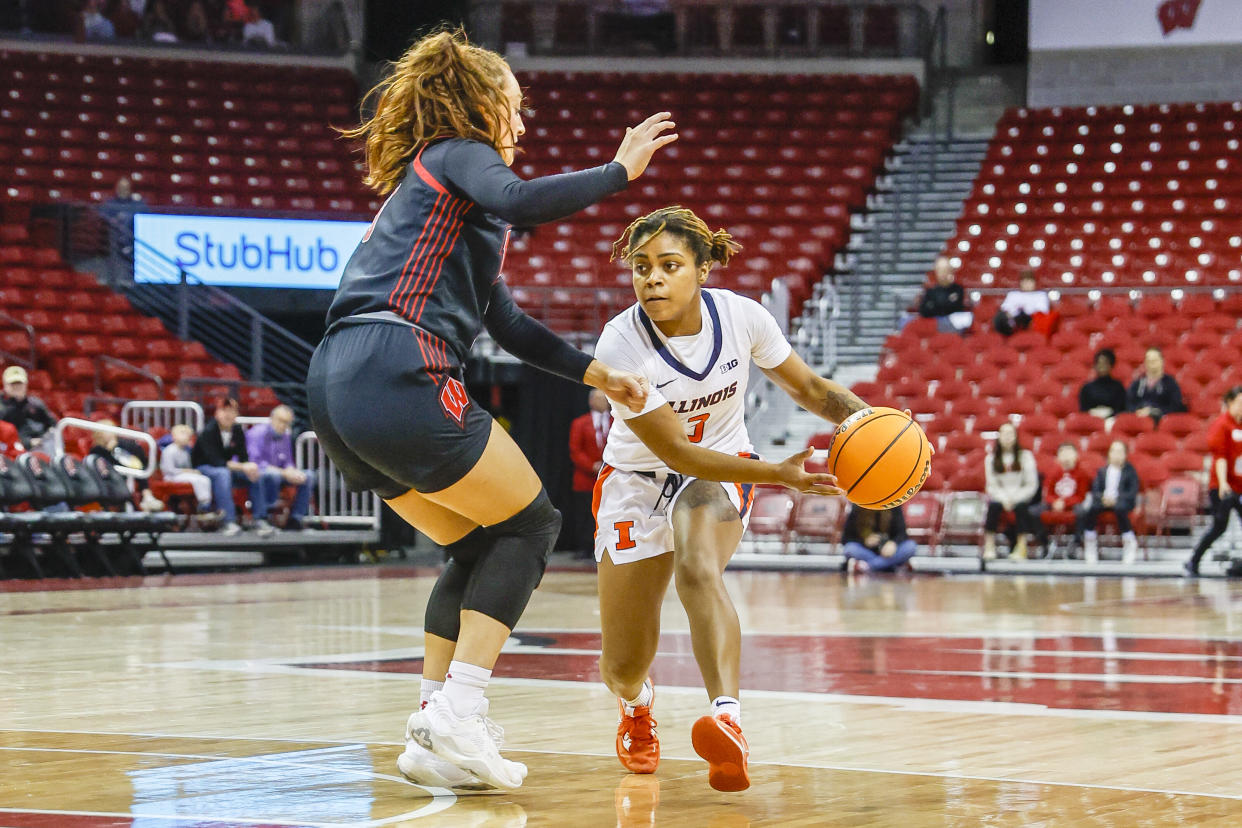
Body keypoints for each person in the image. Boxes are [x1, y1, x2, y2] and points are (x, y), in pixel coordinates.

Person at [306, 29, 677, 792]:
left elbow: (504, 323)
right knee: (535, 523)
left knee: (480, 542)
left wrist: (597, 372)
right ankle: (461, 708)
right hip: (396, 366)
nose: (522, 121)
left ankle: (431, 724)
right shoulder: (456, 152)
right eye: (514, 104)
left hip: (335, 384)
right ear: (481, 104)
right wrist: (619, 171)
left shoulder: (443, 203)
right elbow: (519, 194)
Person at [591, 206, 858, 793]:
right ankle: (637, 705)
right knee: (622, 666)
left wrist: (870, 418)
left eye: (668, 265)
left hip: (717, 470)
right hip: (637, 482)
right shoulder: (619, 343)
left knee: (696, 563)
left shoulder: (741, 317)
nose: (652, 278)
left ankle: (728, 719)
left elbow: (811, 389)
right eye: (641, 268)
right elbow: (678, 455)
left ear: (703, 269)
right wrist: (777, 474)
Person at [1184, 386, 1242, 576]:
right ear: (1230, 403)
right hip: (1223, 486)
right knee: (1219, 526)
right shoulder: (1222, 424)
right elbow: (1220, 457)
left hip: (1240, 485)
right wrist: (1224, 483)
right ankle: (1193, 560)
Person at [191, 397, 260, 536]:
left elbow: (243, 457)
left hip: (225, 469)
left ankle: (260, 518)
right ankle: (229, 521)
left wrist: (249, 468)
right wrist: (243, 467)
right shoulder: (208, 431)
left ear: (237, 414)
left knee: (255, 474)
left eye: (232, 411)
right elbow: (215, 461)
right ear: (216, 413)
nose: (228, 414)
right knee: (222, 473)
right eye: (224, 410)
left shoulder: (237, 430)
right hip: (203, 468)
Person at [246, 404, 315, 534]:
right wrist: (284, 472)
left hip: (279, 472)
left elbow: (288, 461)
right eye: (281, 421)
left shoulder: (285, 436)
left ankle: (295, 519)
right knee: (273, 475)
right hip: (257, 471)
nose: (283, 425)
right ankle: (265, 516)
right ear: (272, 418)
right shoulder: (257, 433)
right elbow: (255, 462)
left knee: (308, 476)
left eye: (287, 423)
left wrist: (292, 471)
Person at [1078, 440, 1141, 564]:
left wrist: (1116, 499)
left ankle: (1129, 542)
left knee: (1120, 508)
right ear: (1109, 454)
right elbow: (1095, 490)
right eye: (1113, 451)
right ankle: (1090, 543)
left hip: (1122, 502)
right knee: (1091, 508)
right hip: (1104, 501)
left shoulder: (1130, 471)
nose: (1116, 455)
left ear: (1125, 454)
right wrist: (1103, 498)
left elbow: (1132, 492)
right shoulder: (1102, 471)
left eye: (1119, 452)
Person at [983, 421, 1039, 560]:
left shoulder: (1025, 456)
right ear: (999, 437)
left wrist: (1014, 498)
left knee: (1021, 507)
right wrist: (1004, 499)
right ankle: (989, 546)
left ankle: (1021, 546)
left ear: (1015, 436)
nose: (1007, 437)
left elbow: (1031, 484)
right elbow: (992, 485)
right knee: (993, 506)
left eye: (1010, 433)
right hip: (1001, 497)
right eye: (1004, 434)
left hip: (1021, 497)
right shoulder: (990, 459)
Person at [567, 389, 610, 556]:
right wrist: (592, 466)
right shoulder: (580, 423)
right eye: (599, 399)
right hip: (586, 478)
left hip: (610, 477)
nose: (603, 402)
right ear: (591, 401)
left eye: (605, 399)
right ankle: (585, 548)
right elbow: (575, 450)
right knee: (585, 515)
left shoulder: (616, 422)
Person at [88, 419, 164, 512]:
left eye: (112, 429)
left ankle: (147, 497)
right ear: (99, 433)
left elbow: (139, 454)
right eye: (106, 431)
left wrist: (116, 448)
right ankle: (144, 498)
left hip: (130, 471)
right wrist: (109, 450)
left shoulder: (123, 443)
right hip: (110, 475)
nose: (110, 433)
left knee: (139, 468)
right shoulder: (97, 449)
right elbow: (100, 464)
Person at [1034, 442, 1091, 551]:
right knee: (1034, 512)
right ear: (1058, 457)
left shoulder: (1082, 473)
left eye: (1069, 453)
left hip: (1073, 503)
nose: (1066, 457)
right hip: (1054, 502)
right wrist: (1055, 502)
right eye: (1063, 454)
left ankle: (1075, 544)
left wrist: (1065, 502)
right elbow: (1048, 493)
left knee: (1082, 513)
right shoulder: (1052, 471)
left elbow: (1081, 496)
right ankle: (1044, 543)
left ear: (1076, 455)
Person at [841, 504, 916, 573]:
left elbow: (902, 534)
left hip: (889, 552)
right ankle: (889, 566)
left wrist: (893, 543)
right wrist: (865, 541)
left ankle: (868, 566)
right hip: (867, 552)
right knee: (850, 549)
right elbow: (846, 539)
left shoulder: (894, 505)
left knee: (910, 546)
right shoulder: (857, 506)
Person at [0, 366, 57, 449]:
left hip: (40, 445)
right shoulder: (1, 405)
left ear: (26, 384)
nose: (17, 387)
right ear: (5, 384)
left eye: (19, 383)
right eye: (13, 384)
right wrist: (27, 442)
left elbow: (53, 424)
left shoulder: (35, 403)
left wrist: (44, 438)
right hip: (10, 448)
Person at [159, 424, 213, 512]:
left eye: (188, 435)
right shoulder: (169, 451)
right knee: (196, 480)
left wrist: (191, 471)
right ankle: (203, 506)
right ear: (174, 436)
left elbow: (188, 467)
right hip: (171, 476)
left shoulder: (185, 451)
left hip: (183, 475)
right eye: (183, 434)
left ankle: (206, 504)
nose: (187, 437)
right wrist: (188, 471)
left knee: (205, 479)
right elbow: (168, 470)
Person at [1127, 347, 1186, 422]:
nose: (1151, 362)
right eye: (1148, 360)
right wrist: (1139, 411)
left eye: (1154, 360)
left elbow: (1176, 406)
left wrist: (1156, 411)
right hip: (1139, 420)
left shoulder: (1170, 383)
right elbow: (1129, 403)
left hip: (1163, 420)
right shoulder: (1137, 384)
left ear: (1162, 361)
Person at [917, 256, 970, 334]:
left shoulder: (958, 289)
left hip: (953, 327)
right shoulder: (931, 291)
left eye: (945, 270)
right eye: (940, 270)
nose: (942, 273)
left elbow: (953, 307)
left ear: (950, 271)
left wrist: (934, 306)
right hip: (934, 326)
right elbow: (924, 311)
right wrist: (942, 305)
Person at [993, 269, 1050, 336]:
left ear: (1034, 283)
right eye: (1025, 282)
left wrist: (1025, 310)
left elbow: (1042, 310)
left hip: (1031, 319)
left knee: (1025, 315)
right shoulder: (1013, 294)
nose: (1027, 285)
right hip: (1014, 319)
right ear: (1020, 283)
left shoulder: (1041, 295)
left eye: (1029, 282)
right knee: (1000, 316)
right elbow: (1005, 308)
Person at [1078, 348, 1128, 419]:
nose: (1101, 366)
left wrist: (1108, 414)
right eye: (1099, 363)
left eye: (1105, 363)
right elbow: (1083, 410)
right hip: (1091, 420)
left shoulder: (1118, 387)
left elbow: (1121, 410)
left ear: (1111, 365)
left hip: (1111, 420)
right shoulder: (1087, 388)